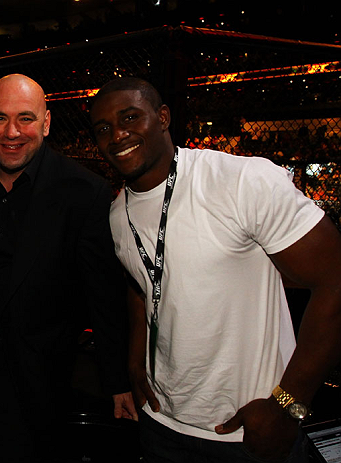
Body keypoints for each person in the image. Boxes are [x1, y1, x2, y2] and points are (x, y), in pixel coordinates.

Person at [89, 76, 341, 462]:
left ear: (163, 117)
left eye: (130, 117)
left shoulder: (240, 181)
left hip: (250, 431)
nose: (117, 134)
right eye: (104, 128)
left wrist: (287, 407)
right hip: (161, 425)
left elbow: (335, 282)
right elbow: (141, 283)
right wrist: (135, 362)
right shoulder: (117, 216)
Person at [0, 74, 131, 462]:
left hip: (35, 386)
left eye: (25, 119)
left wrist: (118, 381)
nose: (12, 132)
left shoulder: (85, 192)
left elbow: (104, 295)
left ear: (46, 123)